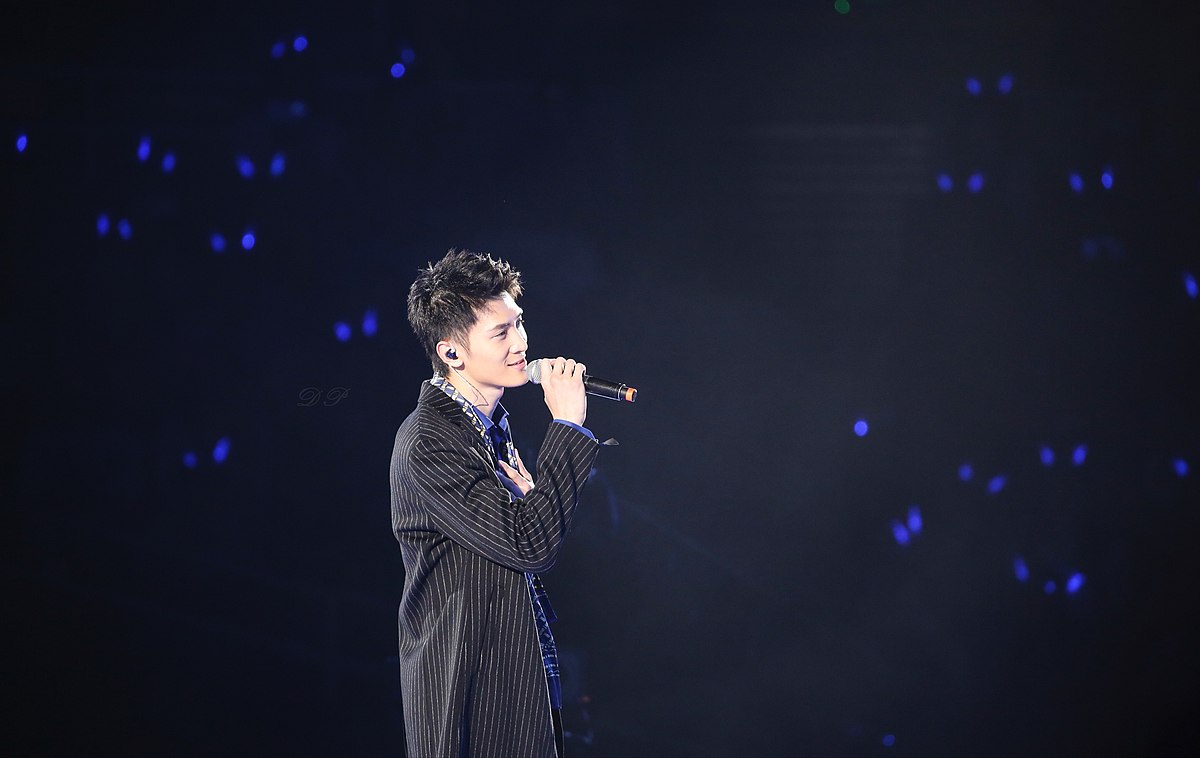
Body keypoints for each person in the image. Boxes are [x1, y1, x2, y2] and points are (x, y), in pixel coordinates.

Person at [390, 248, 600, 757]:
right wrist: (567, 425)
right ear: (451, 353)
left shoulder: (491, 431)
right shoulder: (430, 440)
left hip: (517, 684)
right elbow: (529, 544)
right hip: (472, 692)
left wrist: (535, 502)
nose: (521, 343)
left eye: (519, 323)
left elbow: (526, 542)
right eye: (501, 332)